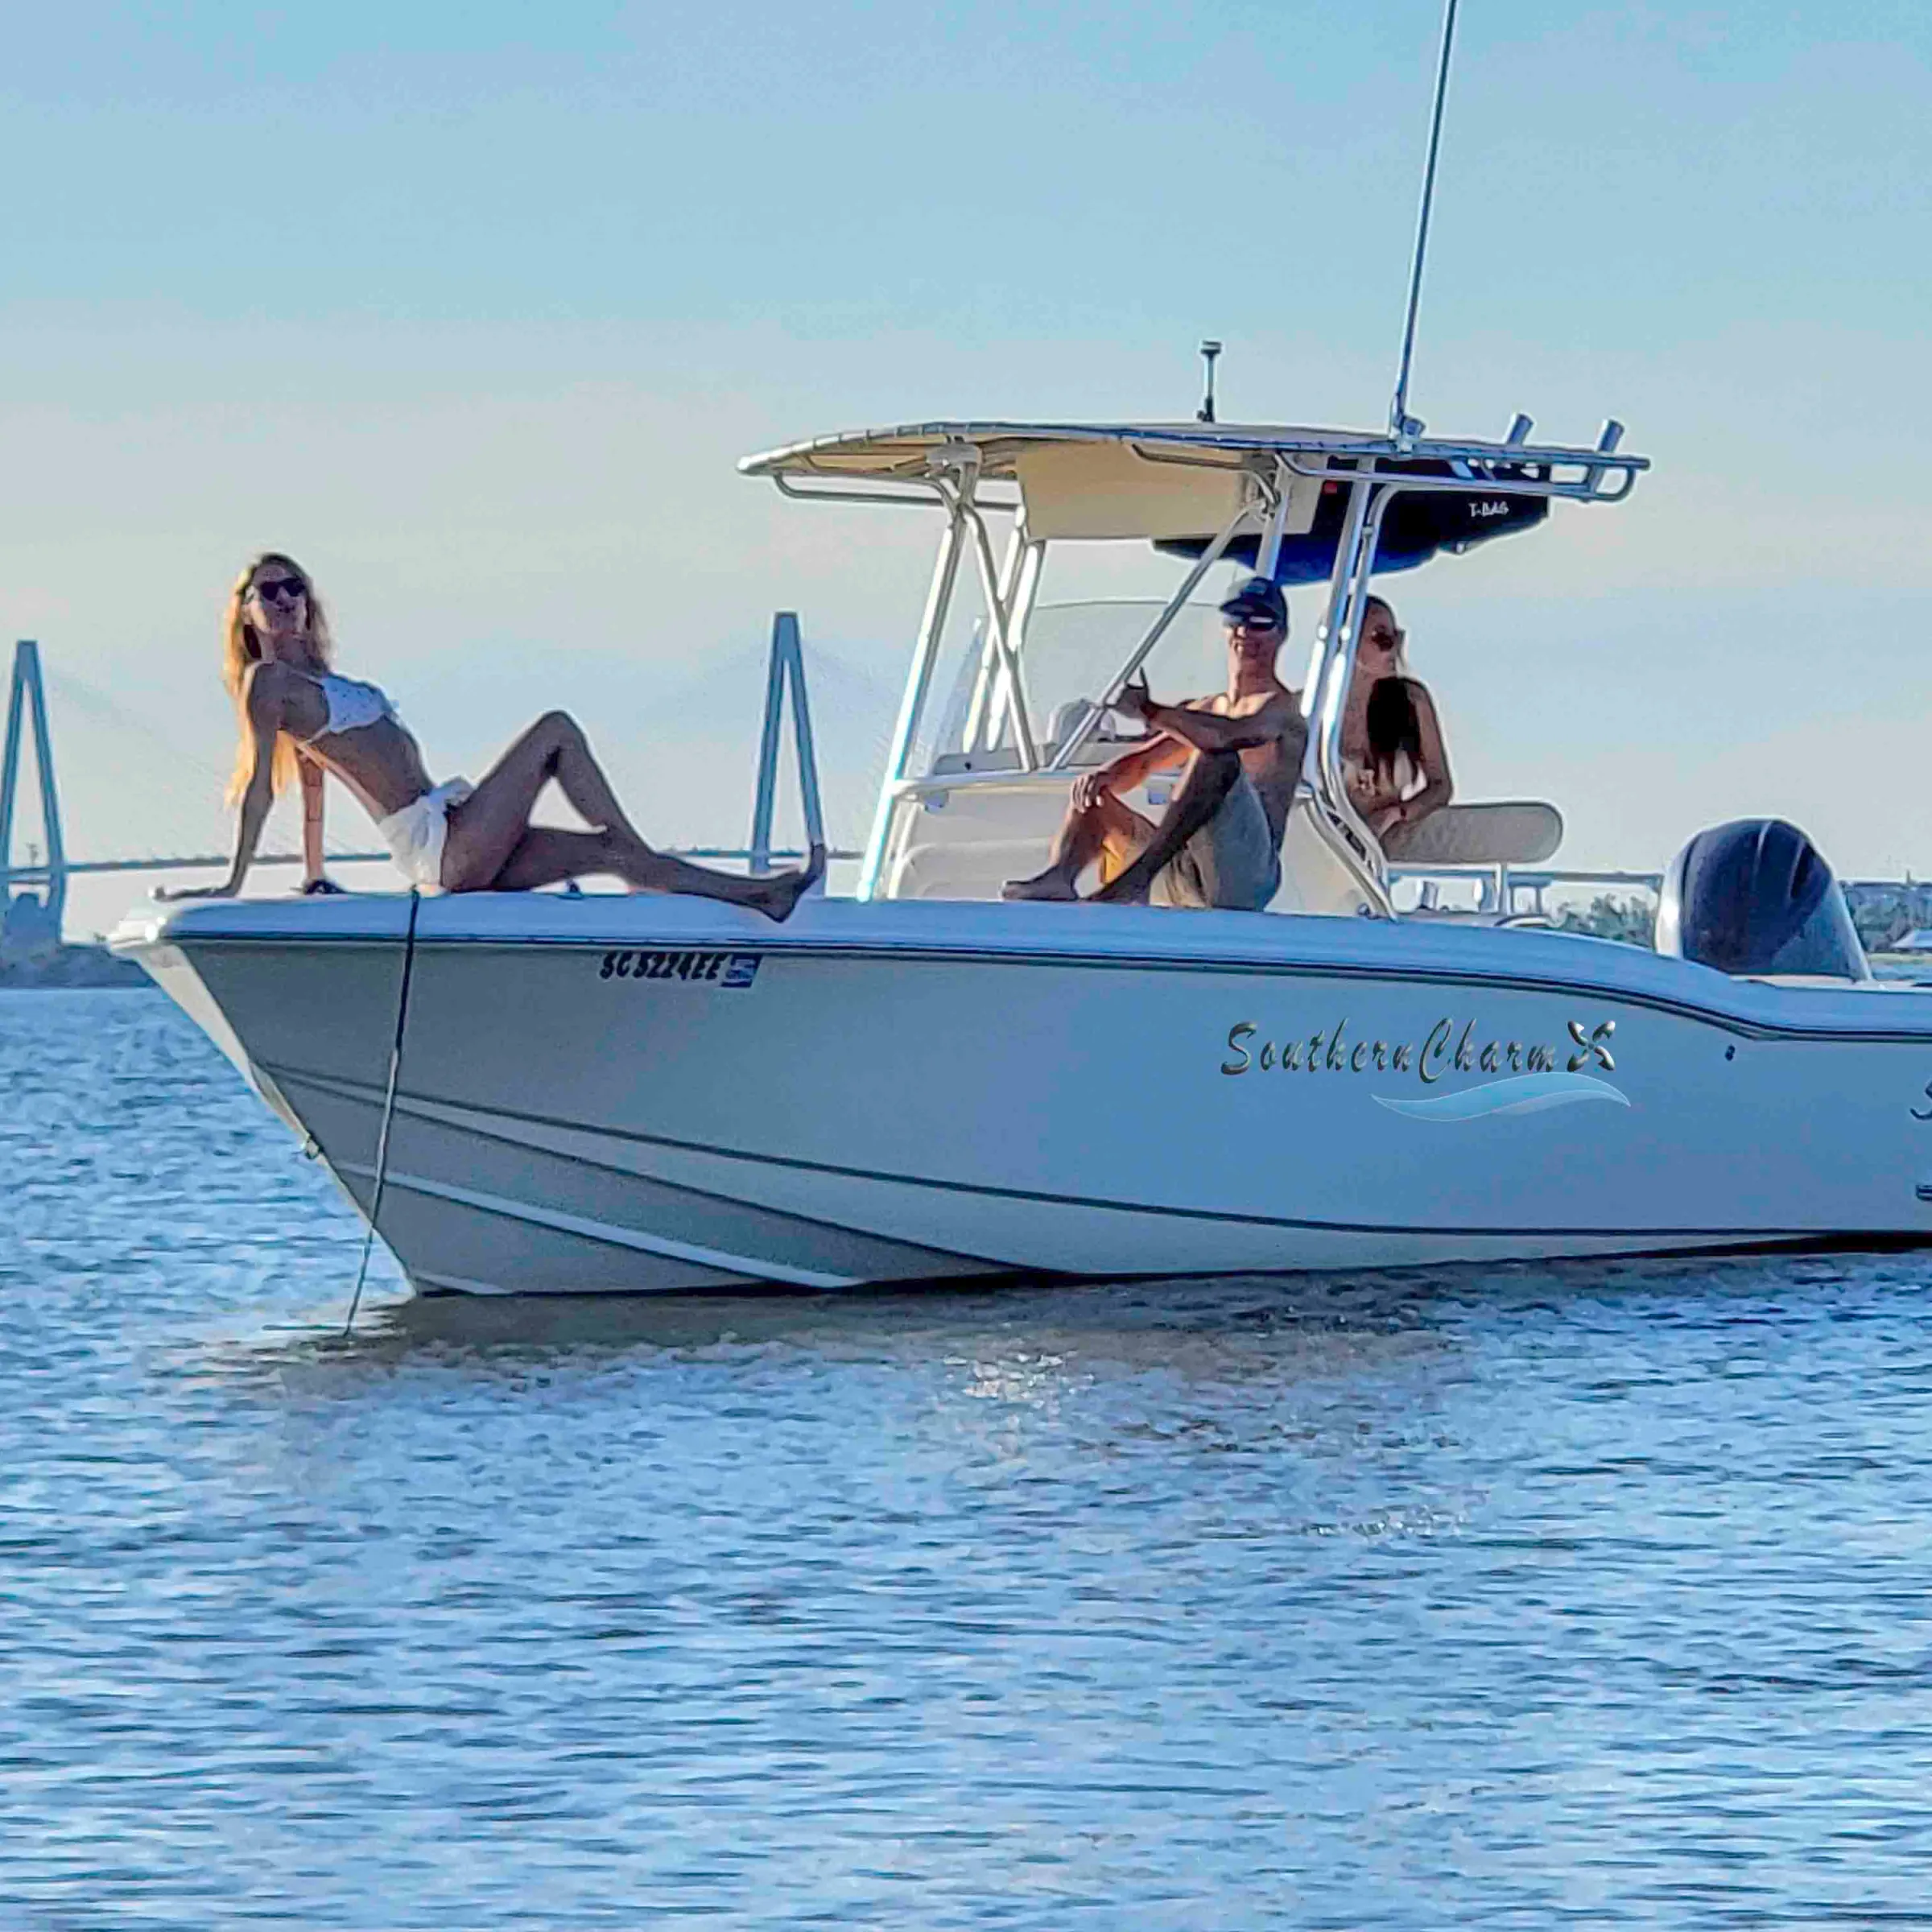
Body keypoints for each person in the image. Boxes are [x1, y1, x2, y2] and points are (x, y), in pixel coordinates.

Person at [159, 552, 824, 916]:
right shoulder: (268, 683)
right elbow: (259, 787)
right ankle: (647, 861)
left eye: (292, 587)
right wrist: (231, 883)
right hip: (439, 847)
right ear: (246, 614)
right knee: (556, 730)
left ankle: (761, 896)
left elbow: (313, 793)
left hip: (456, 833)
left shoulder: (328, 683)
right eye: (266, 591)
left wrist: (315, 876)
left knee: (606, 853)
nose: (282, 599)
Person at [1002, 575, 1306, 909]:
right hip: (1186, 870)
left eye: (1261, 622)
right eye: (1236, 619)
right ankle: (1060, 876)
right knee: (1097, 790)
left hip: (1246, 879)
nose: (1246, 632)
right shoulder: (1206, 708)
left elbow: (1226, 737)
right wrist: (1101, 779)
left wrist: (1148, 710)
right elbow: (1144, 761)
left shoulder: (1283, 710)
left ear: (1282, 634)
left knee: (1216, 758)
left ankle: (1133, 882)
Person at [1340, 594, 1451, 856]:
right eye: (1381, 638)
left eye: (1397, 637)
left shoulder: (1412, 701)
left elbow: (1441, 786)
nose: (1393, 649)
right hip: (1324, 847)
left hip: (1382, 852)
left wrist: (1397, 814)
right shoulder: (1311, 709)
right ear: (1347, 639)